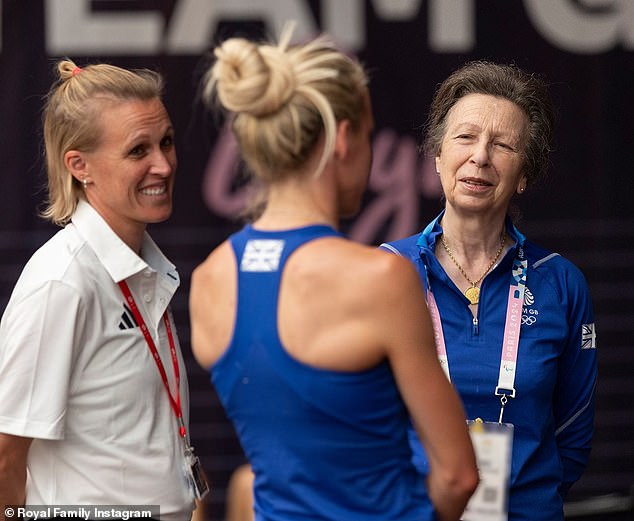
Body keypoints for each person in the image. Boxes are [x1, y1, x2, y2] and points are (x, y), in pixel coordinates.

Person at [189, 26, 478, 521]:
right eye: (368, 135)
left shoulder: (208, 280)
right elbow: (457, 475)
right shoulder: (380, 279)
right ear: (343, 139)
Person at [380, 60, 598, 521]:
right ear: (437, 156)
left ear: (524, 176)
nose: (480, 156)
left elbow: (573, 436)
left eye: (502, 145)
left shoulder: (559, 281)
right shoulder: (384, 271)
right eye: (465, 137)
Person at [0, 60, 205, 520]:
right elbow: (4, 456)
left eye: (166, 142)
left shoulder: (145, 265)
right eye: (138, 151)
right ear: (80, 166)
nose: (163, 164)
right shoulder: (61, 281)